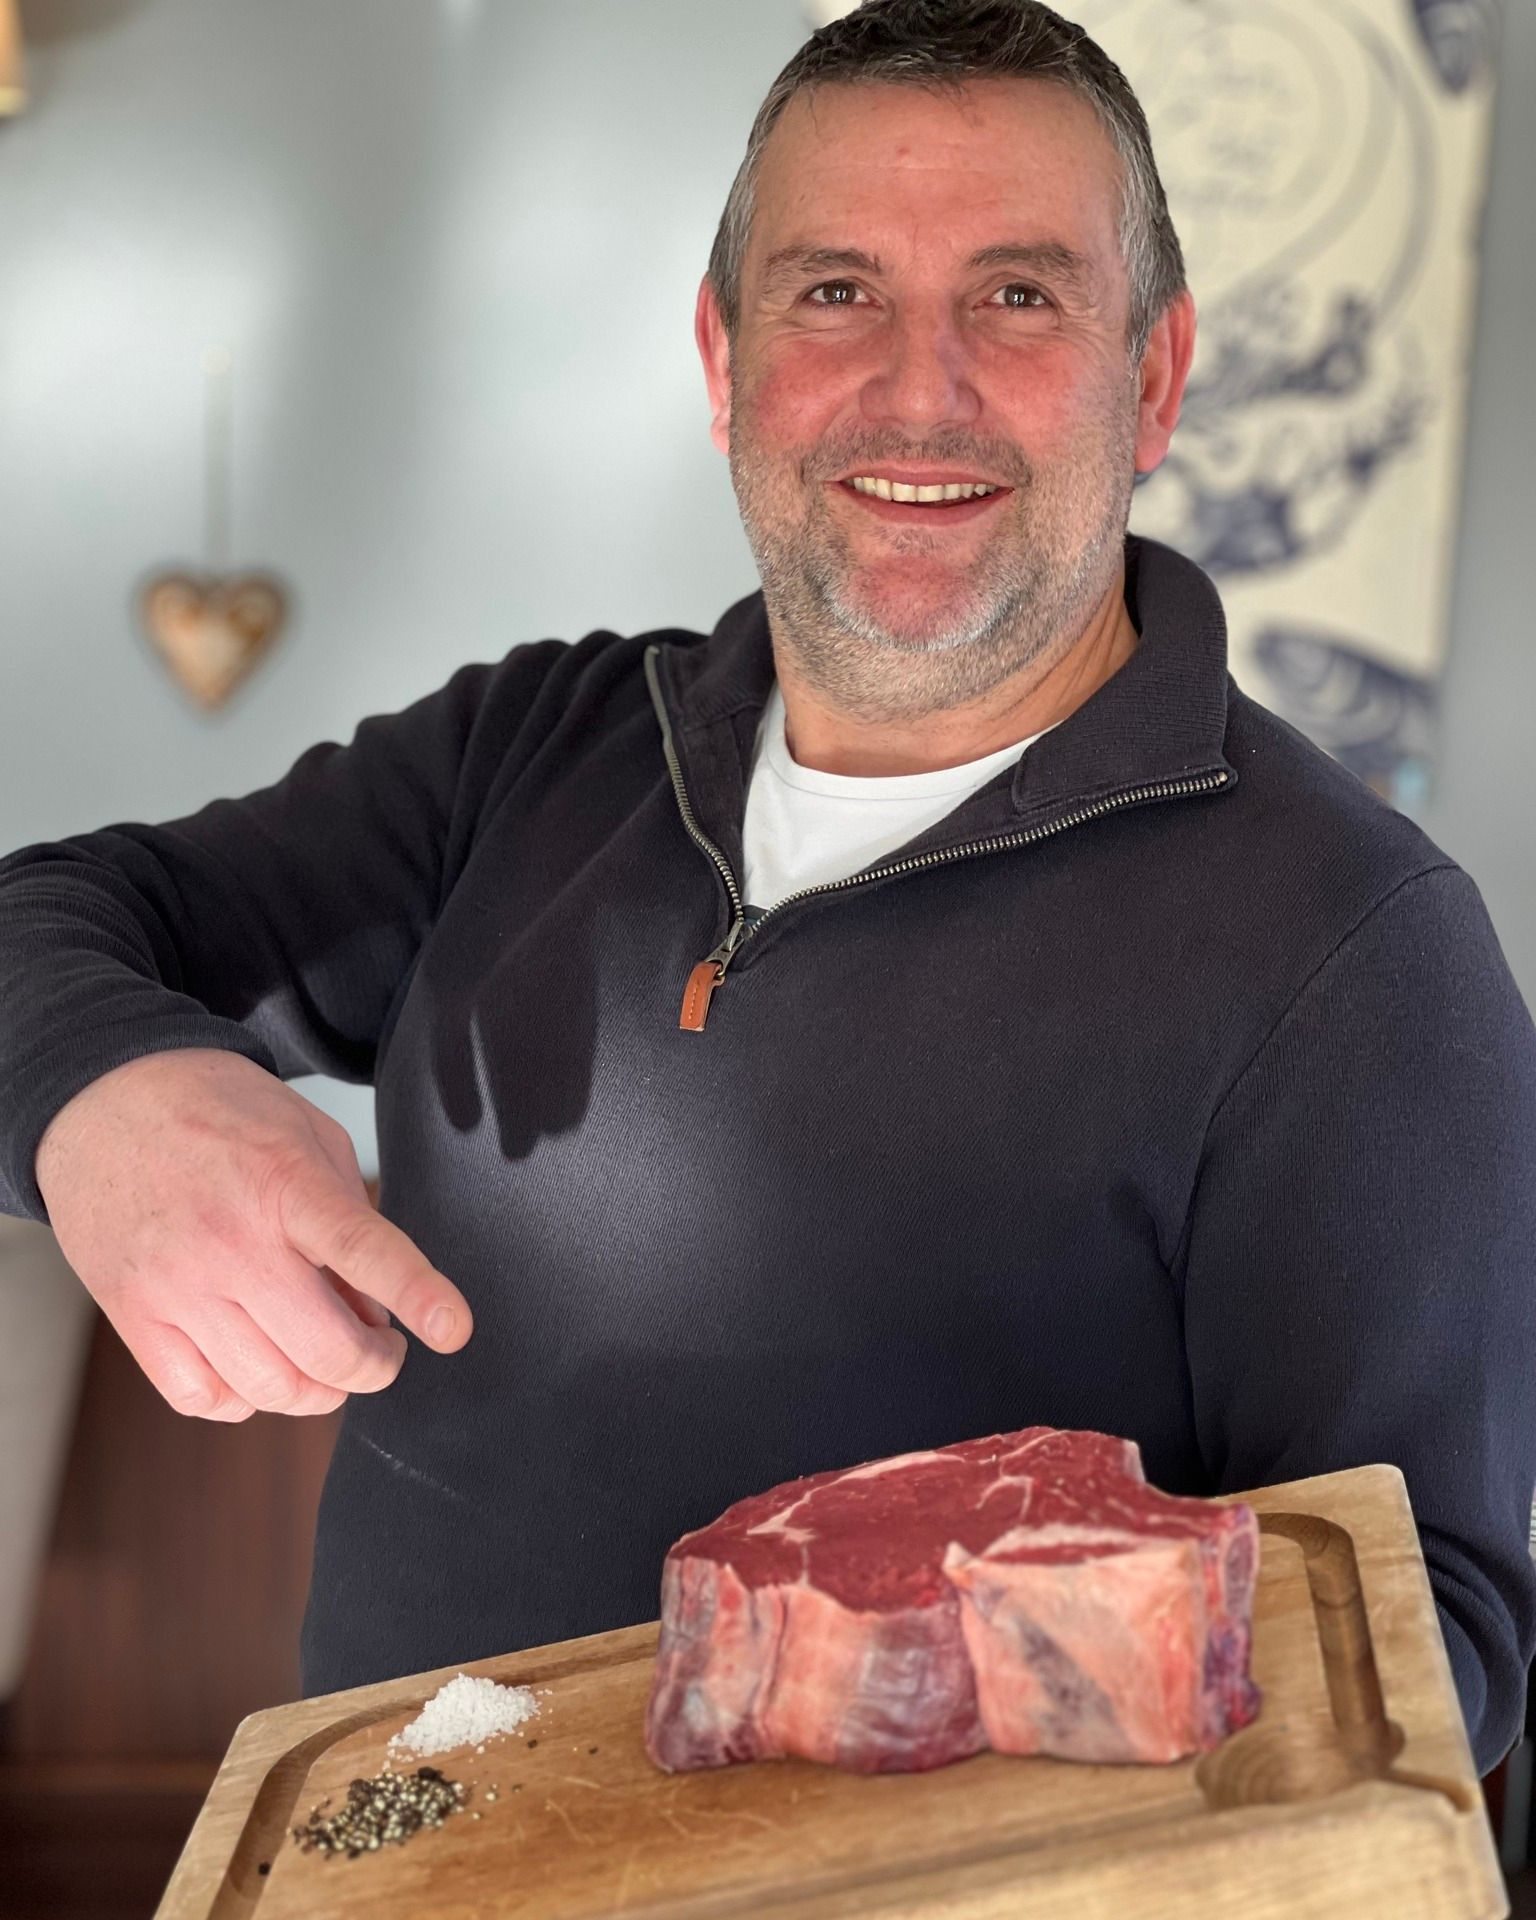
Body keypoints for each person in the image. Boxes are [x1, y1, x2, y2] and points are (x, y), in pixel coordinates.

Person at [2, 0, 1534, 1776]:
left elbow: (1423, 1655)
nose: (920, 387)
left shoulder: (1358, 955)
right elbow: (44, 920)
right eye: (835, 292)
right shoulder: (531, 749)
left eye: (1018, 295)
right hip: (399, 1862)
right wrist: (100, 1106)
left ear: (1155, 377)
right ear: (726, 360)